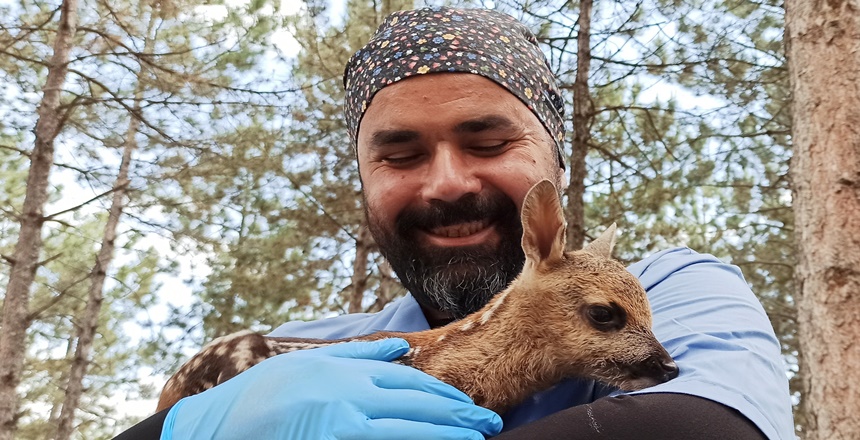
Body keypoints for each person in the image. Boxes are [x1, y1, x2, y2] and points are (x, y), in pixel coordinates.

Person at [115, 7, 794, 439]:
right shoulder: (295, 353)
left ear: (555, 170)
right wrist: (181, 431)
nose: (446, 183)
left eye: (490, 143)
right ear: (366, 181)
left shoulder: (666, 291)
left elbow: (697, 429)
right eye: (400, 154)